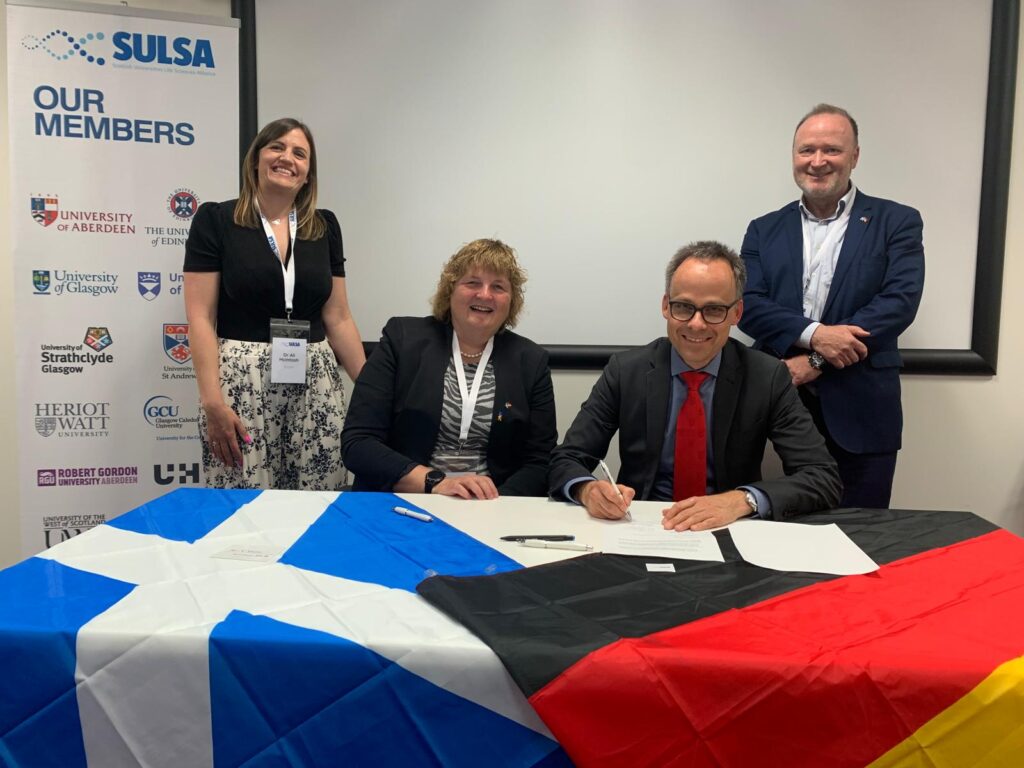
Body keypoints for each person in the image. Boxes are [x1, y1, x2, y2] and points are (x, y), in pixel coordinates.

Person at [549, 241, 841, 530]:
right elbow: (568, 458)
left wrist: (741, 501)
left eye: (714, 310)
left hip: (730, 527)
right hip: (642, 526)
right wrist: (586, 489)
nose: (696, 324)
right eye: (683, 307)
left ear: (736, 313)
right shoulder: (626, 371)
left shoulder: (767, 377)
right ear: (666, 306)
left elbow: (822, 476)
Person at [739, 104, 925, 508]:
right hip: (777, 399)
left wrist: (817, 360)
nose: (818, 161)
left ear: (855, 156)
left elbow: (899, 302)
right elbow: (748, 304)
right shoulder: (763, 229)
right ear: (794, 156)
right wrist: (816, 336)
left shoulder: (897, 221)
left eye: (832, 150)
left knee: (865, 532)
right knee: (777, 524)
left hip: (861, 405)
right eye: (807, 150)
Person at [183, 117, 365, 490]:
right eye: (277, 147)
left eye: (300, 153)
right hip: (240, 382)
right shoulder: (217, 220)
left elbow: (339, 317)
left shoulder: (324, 227)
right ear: (255, 159)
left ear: (308, 173)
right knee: (241, 503)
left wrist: (372, 392)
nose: (288, 158)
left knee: (318, 502)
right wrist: (212, 403)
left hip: (315, 380)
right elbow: (201, 318)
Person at [341, 239, 556, 498]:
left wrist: (495, 505)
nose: (485, 294)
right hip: (405, 500)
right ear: (450, 290)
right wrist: (435, 482)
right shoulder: (402, 340)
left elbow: (540, 461)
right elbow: (359, 443)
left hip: (491, 507)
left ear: (511, 301)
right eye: (472, 283)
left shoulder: (531, 361)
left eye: (498, 286)